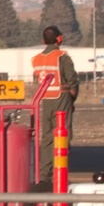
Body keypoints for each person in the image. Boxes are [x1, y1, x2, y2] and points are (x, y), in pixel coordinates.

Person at [34, 25, 80, 166]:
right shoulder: (61, 56)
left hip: (46, 100)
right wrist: (72, 97)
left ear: (43, 40)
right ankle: (59, 170)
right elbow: (72, 80)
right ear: (59, 39)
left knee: (47, 137)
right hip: (61, 98)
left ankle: (45, 174)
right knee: (63, 134)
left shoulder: (36, 59)